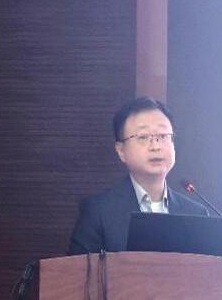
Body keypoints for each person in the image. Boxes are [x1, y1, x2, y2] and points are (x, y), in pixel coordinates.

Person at [68, 97, 207, 254]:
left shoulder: (197, 214)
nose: (155, 146)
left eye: (163, 136)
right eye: (143, 137)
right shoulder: (98, 212)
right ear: (121, 151)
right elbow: (78, 269)